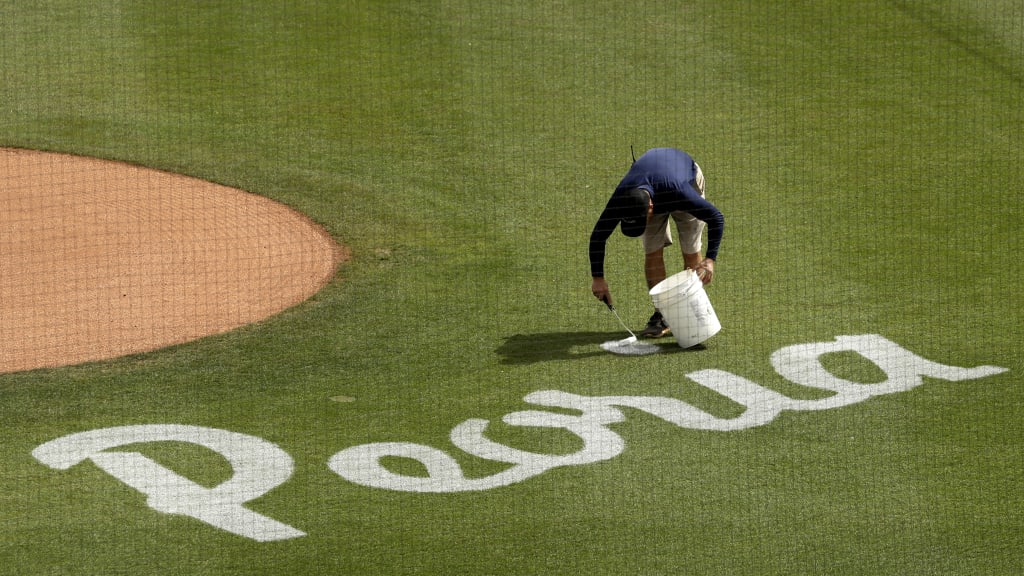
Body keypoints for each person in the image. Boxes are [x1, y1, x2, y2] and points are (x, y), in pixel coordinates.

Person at [589, 147, 724, 337]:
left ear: (650, 207)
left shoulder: (681, 193)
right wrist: (598, 279)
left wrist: (710, 259)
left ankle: (692, 313)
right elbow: (598, 236)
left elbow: (716, 217)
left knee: (691, 250)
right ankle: (662, 314)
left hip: (686, 180)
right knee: (652, 251)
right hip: (653, 185)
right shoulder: (623, 198)